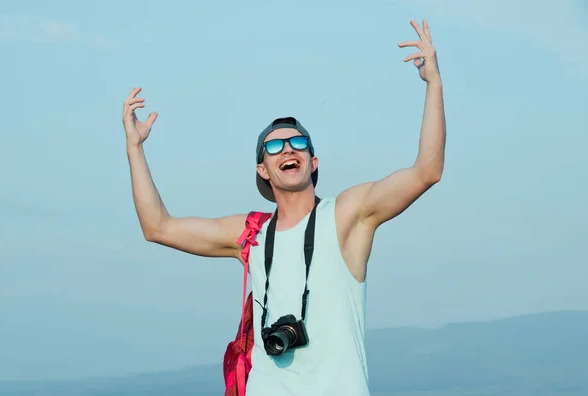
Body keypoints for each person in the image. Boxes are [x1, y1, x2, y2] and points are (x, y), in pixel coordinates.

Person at [122, 19, 445, 396]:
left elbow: (427, 171)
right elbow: (157, 227)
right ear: (263, 169)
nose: (287, 149)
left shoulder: (345, 216)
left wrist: (433, 84)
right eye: (274, 147)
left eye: (298, 143)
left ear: (314, 160)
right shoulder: (251, 234)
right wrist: (134, 147)